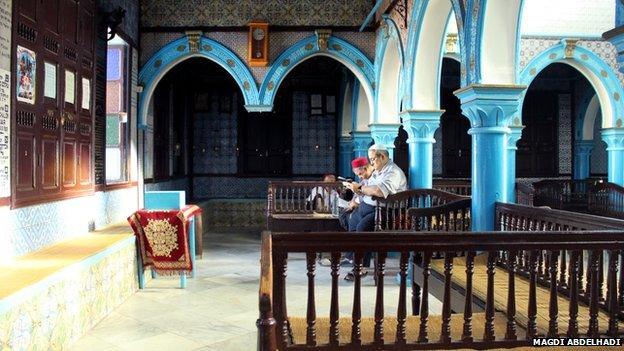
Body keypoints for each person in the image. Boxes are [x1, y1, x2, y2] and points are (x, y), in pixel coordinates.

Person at [342, 144, 407, 281]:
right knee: (351, 219)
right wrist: (359, 190)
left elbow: (378, 191)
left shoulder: (393, 172)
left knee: (363, 228)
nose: (371, 163)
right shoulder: (378, 171)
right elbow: (367, 188)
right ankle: (352, 258)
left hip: (386, 212)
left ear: (382, 157)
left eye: (372, 159)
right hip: (372, 207)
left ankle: (361, 267)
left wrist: (359, 187)